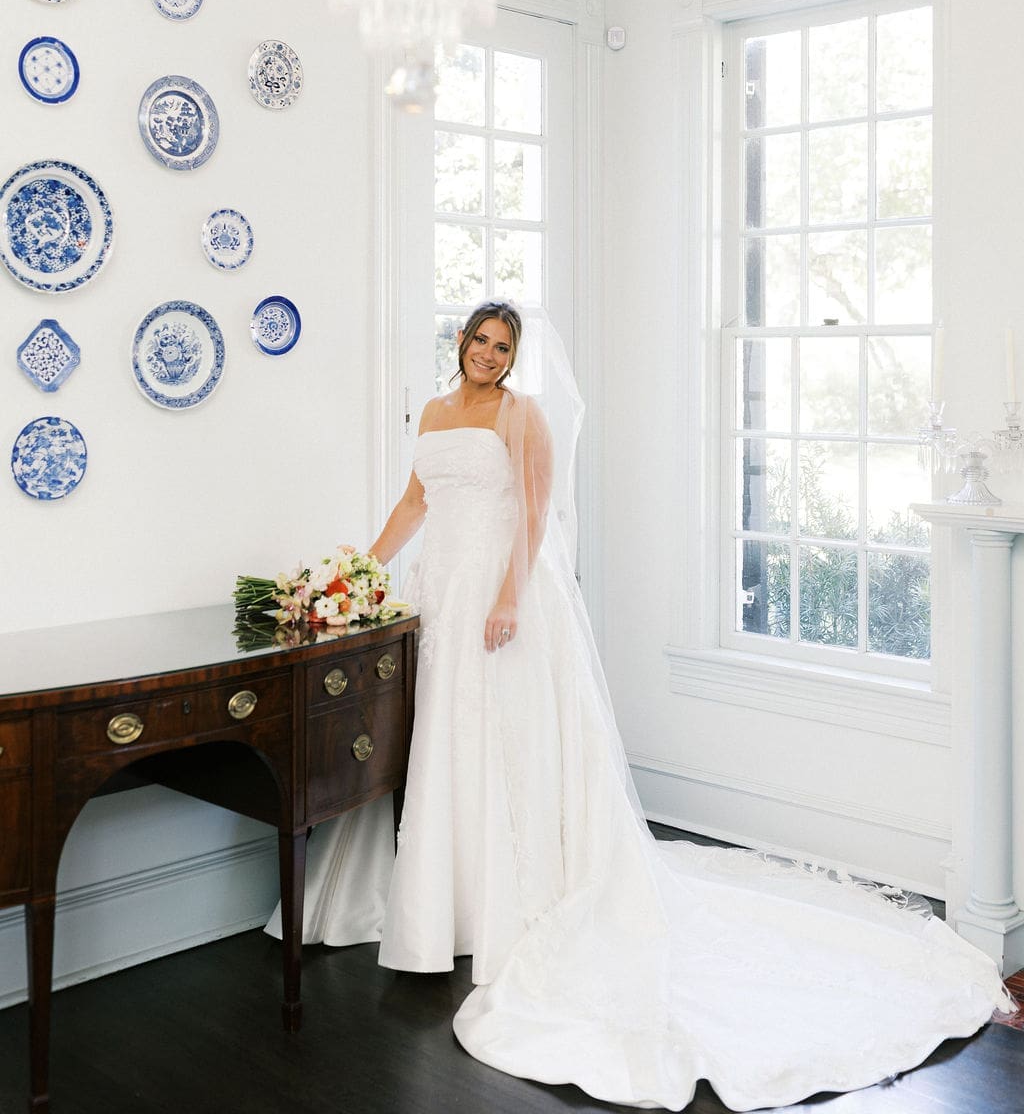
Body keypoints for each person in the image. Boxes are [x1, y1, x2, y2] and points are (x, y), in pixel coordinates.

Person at [269, 299, 1011, 1110]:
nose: (488, 353)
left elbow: (535, 512)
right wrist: (358, 575)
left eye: (502, 345)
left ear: (514, 356)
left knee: (504, 740)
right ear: (461, 341)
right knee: (446, 742)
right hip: (439, 589)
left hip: (499, 591)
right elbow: (415, 504)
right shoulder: (437, 410)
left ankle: (510, 898)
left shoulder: (521, 415)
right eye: (480, 340)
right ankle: (445, 905)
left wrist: (509, 596)